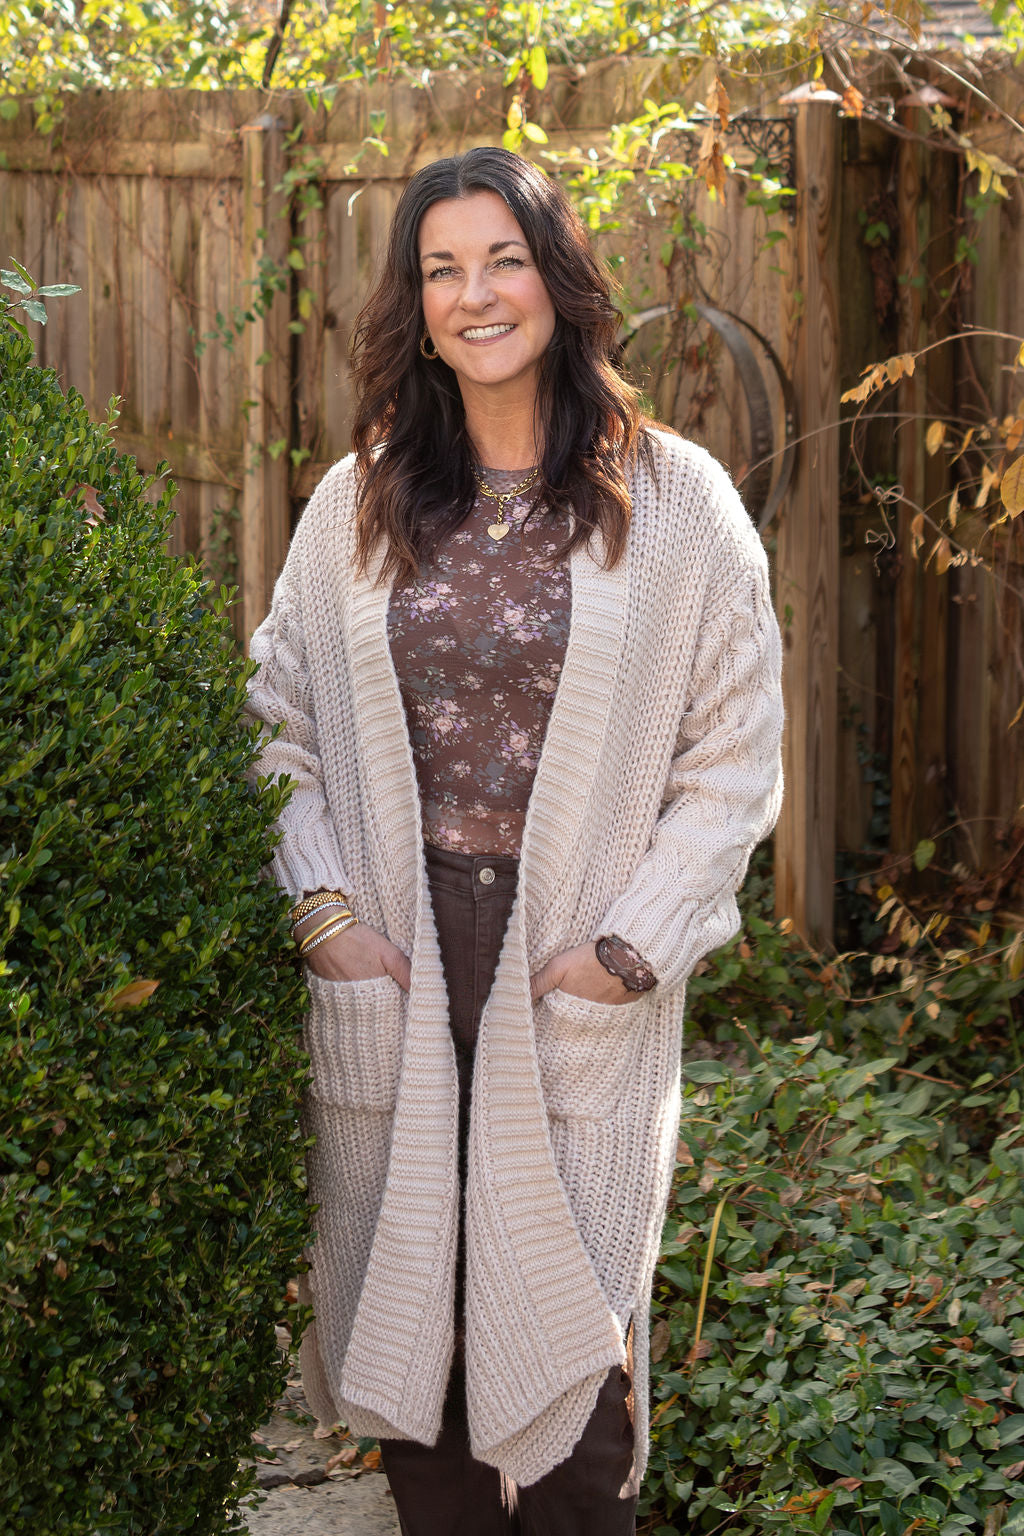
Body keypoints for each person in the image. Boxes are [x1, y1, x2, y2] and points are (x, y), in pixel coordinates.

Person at [245, 146, 784, 1534]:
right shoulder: (356, 503)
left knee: (574, 1377)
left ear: (558, 279)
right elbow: (273, 724)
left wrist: (630, 949)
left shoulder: (677, 503)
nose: (476, 294)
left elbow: (732, 761)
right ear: (416, 306)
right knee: (414, 1354)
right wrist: (324, 916)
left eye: (504, 259)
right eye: (443, 270)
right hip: (401, 953)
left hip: (571, 963)